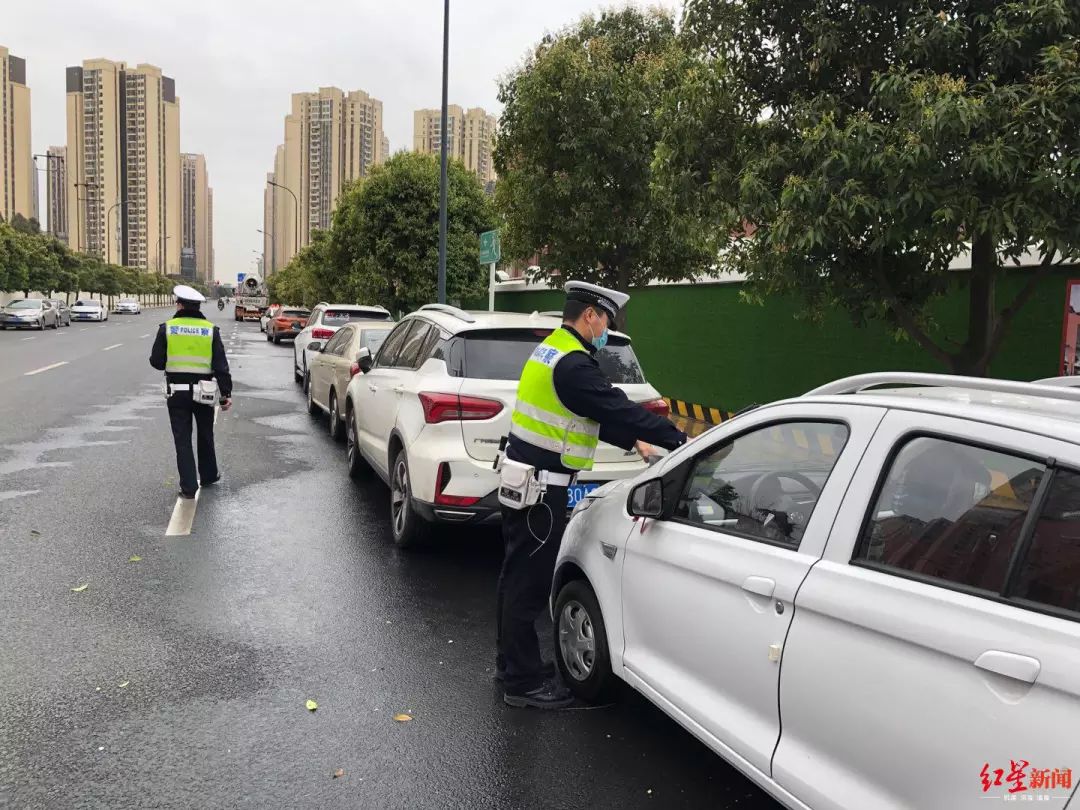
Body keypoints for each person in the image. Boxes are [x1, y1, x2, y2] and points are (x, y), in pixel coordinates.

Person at [496, 281, 689, 709]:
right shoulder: (574, 365)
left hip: (523, 481)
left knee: (515, 578)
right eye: (606, 321)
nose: (607, 330)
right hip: (541, 491)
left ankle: (512, 665)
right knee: (528, 585)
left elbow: (580, 418)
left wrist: (633, 441)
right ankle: (523, 684)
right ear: (590, 316)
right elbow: (616, 407)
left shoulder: (552, 350)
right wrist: (677, 438)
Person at [149, 285, 233, 499]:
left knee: (182, 440)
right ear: (197, 307)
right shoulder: (210, 330)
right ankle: (208, 475)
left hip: (177, 394)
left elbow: (156, 362)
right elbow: (221, 366)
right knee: (205, 435)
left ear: (179, 305)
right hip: (204, 393)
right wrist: (225, 395)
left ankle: (188, 487)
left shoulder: (167, 328)